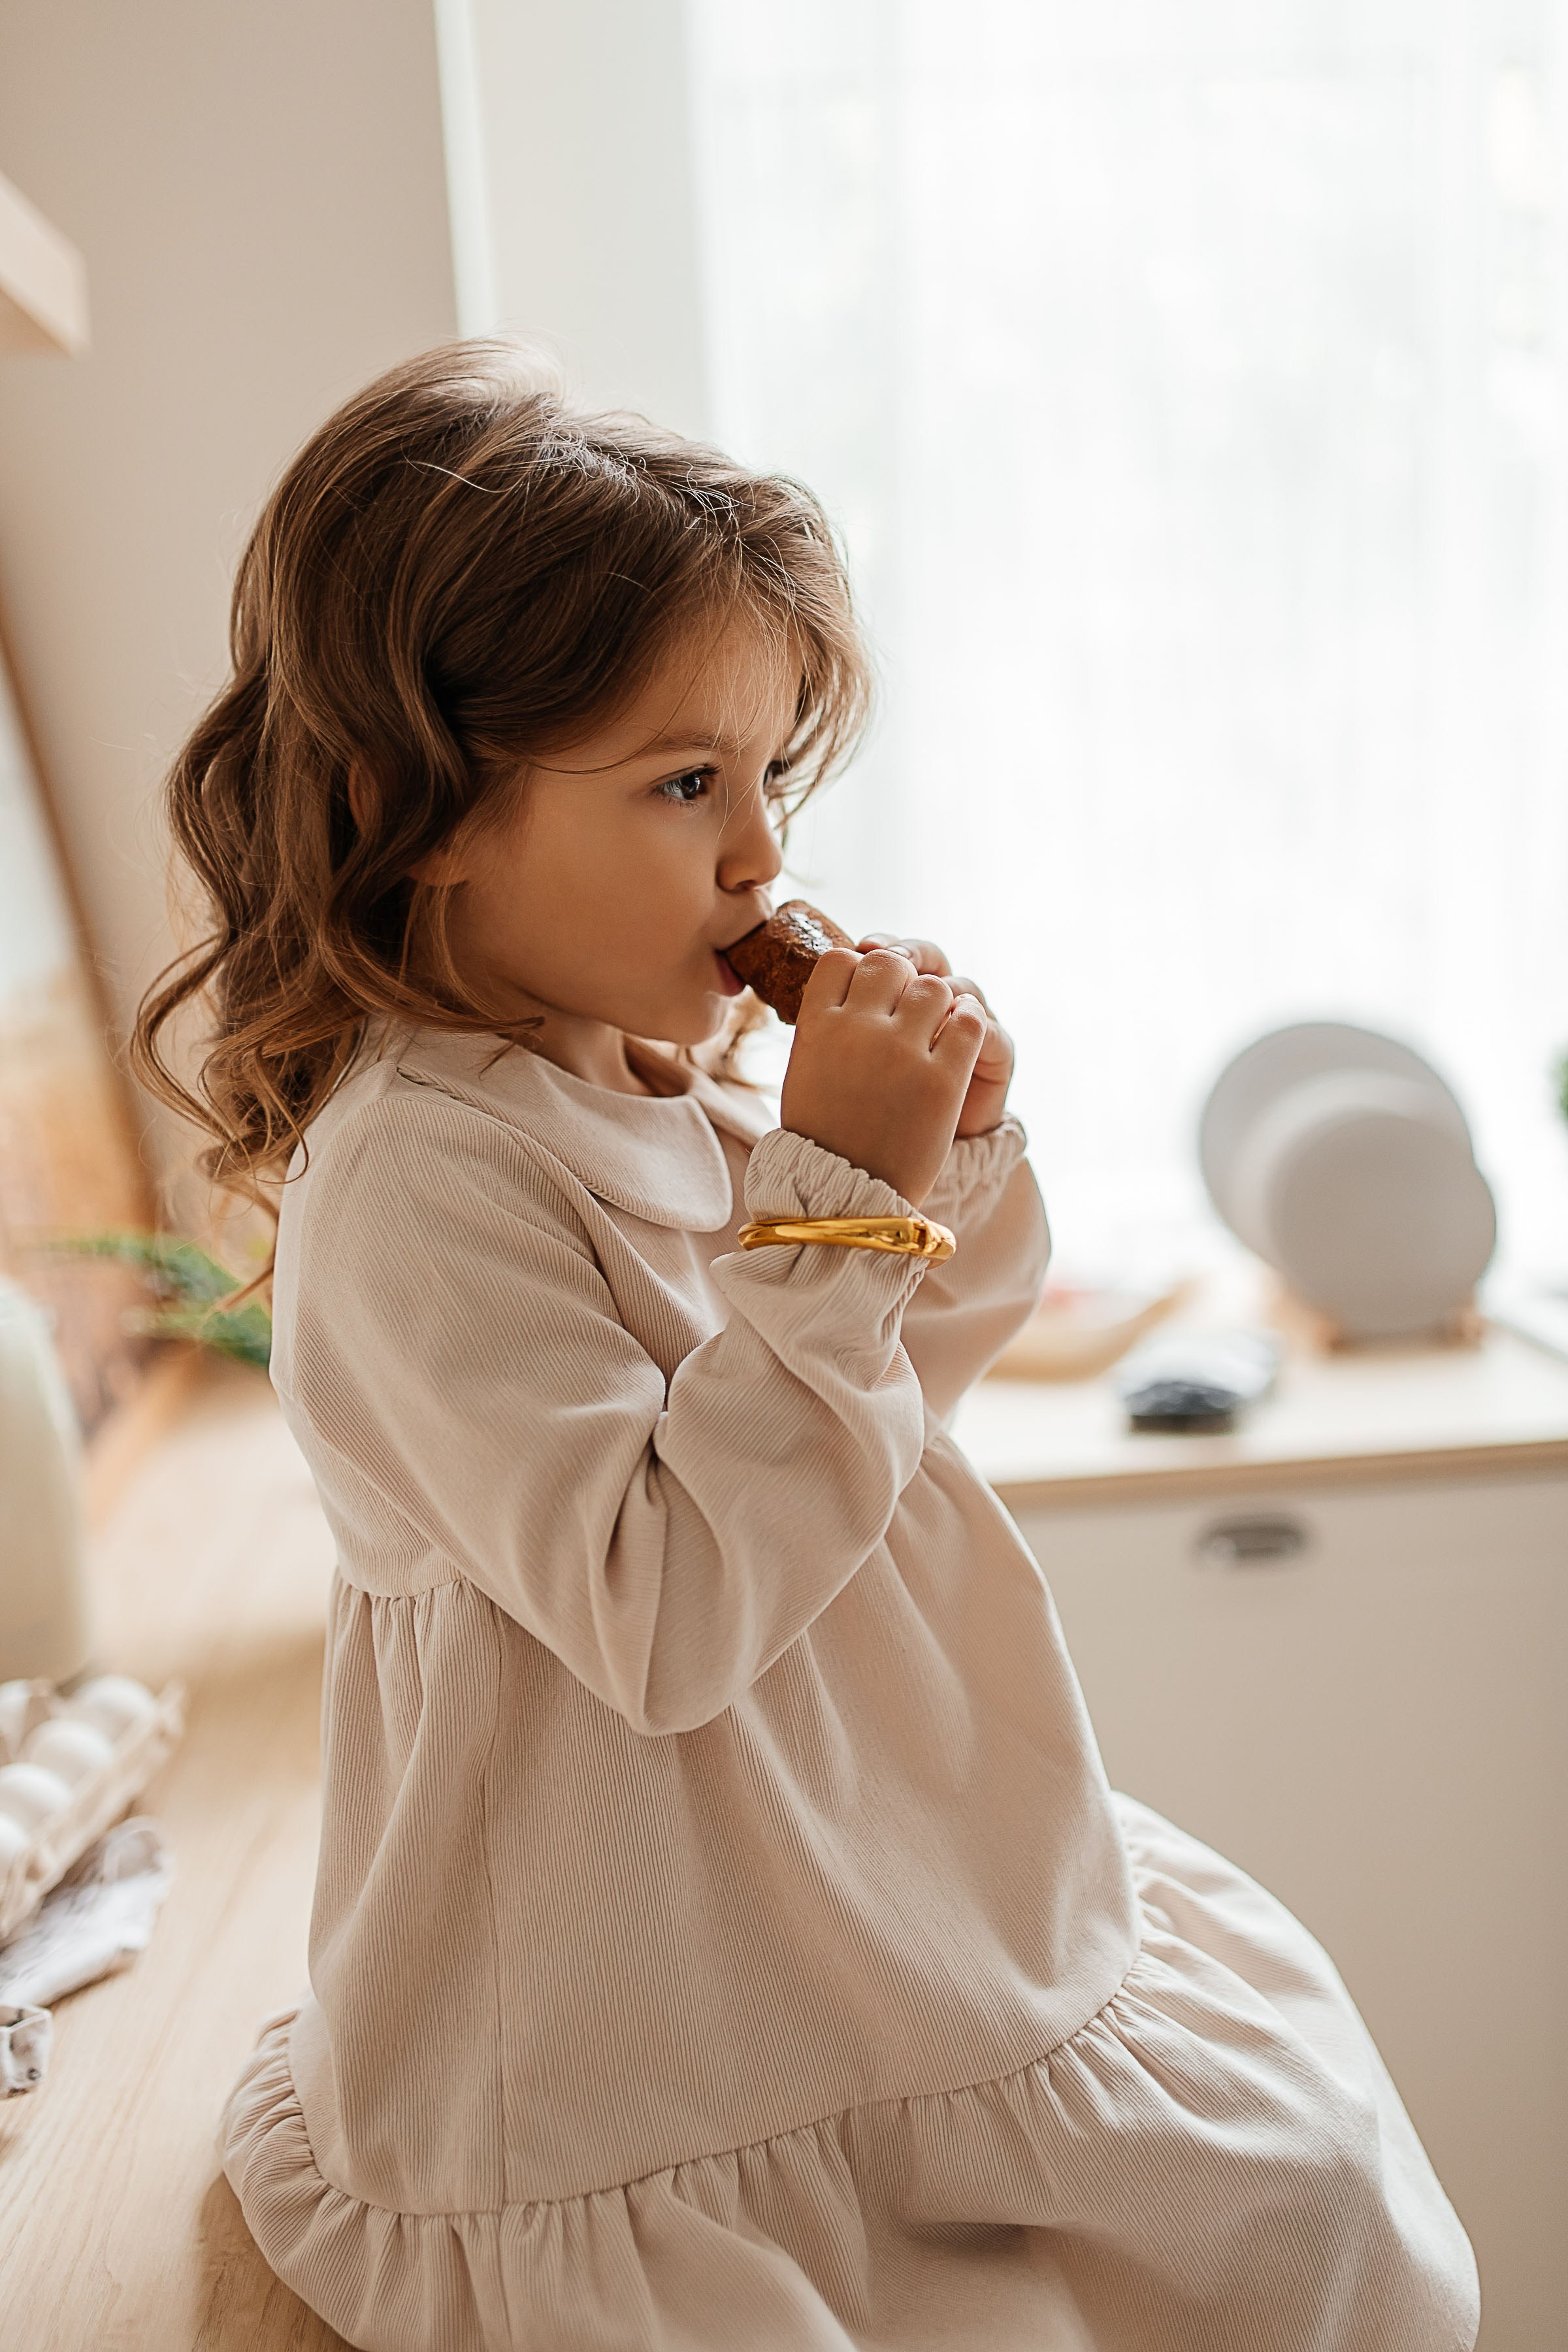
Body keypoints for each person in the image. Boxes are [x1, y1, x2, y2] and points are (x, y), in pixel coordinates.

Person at [135, 342, 1478, 2352]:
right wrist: (841, 1184)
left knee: (1303, 2186)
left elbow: (889, 1395)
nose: (762, 851)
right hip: (645, 2004)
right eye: (686, 783)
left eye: (773, 775)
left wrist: (936, 1152)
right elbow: (669, 1610)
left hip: (866, 1886)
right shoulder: (421, 1176)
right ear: (405, 813)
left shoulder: (668, 1077)